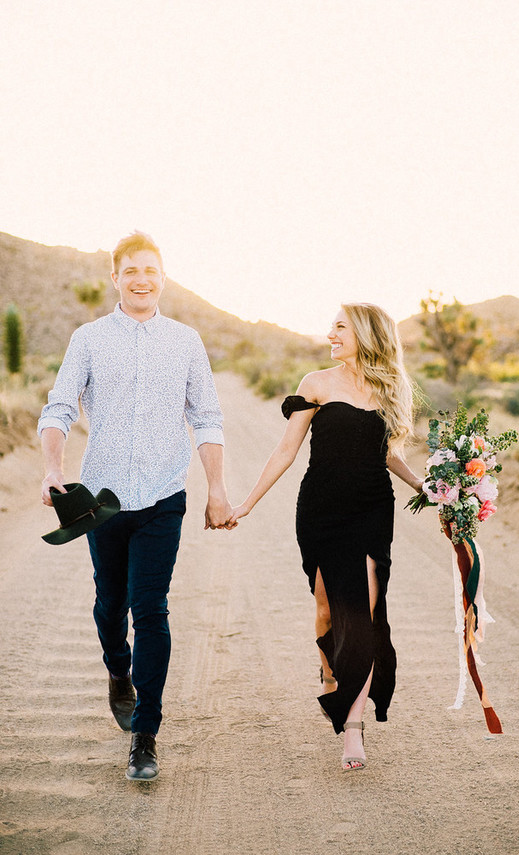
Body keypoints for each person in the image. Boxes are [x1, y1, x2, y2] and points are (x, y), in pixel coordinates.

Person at [38, 231, 234, 781]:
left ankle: (145, 734)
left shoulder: (186, 341)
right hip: (103, 500)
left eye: (151, 270)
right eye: (131, 271)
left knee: (151, 608)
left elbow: (207, 418)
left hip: (164, 497)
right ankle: (116, 671)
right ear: (116, 279)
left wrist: (216, 488)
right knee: (110, 604)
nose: (142, 279)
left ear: (163, 277)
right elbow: (57, 407)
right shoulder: (90, 338)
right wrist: (54, 468)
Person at [230, 302, 423, 771]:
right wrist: (246, 503)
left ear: (364, 332)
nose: (330, 334)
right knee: (325, 605)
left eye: (339, 326)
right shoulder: (315, 384)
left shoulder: (390, 388)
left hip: (373, 512)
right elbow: (286, 450)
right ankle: (331, 668)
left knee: (366, 614)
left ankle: (352, 727)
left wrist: (424, 485)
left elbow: (387, 454)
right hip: (321, 510)